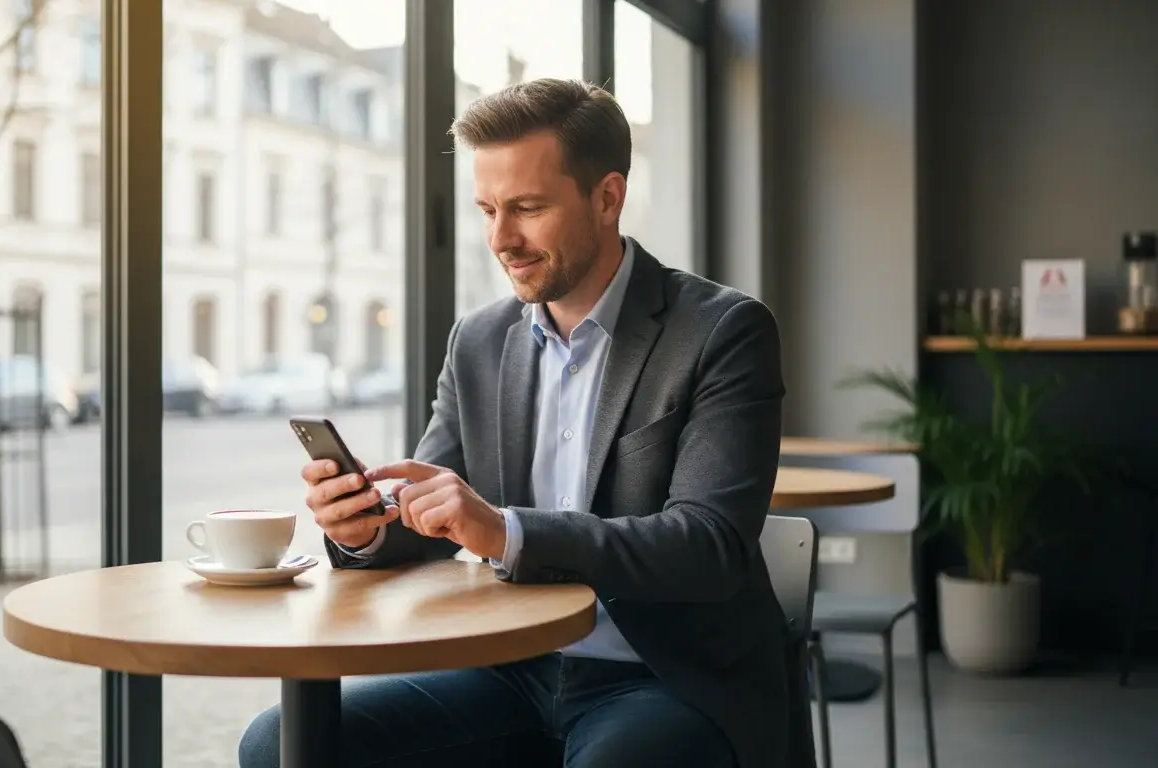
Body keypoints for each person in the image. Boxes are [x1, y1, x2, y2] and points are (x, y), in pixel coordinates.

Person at [239, 77, 811, 768]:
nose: (501, 239)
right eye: (486, 209)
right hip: (508, 663)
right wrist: (363, 531)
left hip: (665, 676)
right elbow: (436, 520)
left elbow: (709, 546)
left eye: (527, 208)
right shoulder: (479, 341)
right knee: (279, 744)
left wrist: (506, 531)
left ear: (607, 197)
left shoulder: (722, 331)